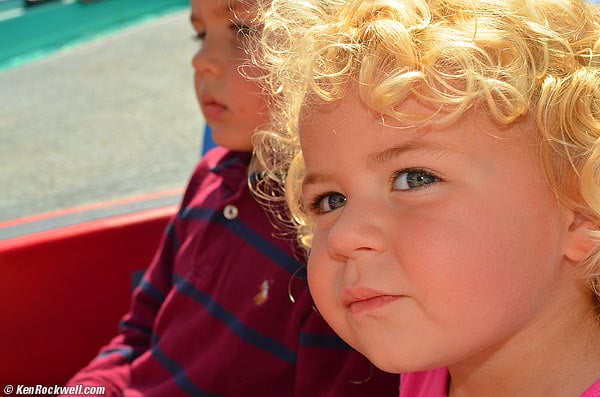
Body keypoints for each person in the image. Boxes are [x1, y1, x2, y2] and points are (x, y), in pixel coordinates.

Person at [251, 0, 600, 395]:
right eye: (331, 201)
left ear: (583, 211)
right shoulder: (430, 372)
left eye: (414, 179)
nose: (343, 237)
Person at [62, 0, 400, 395]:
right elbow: (140, 330)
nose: (202, 60)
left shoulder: (331, 244)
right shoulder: (210, 176)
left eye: (244, 32)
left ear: (332, 50)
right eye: (201, 35)